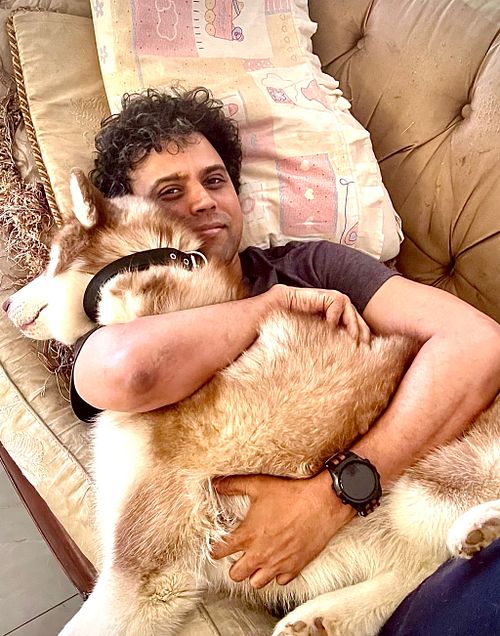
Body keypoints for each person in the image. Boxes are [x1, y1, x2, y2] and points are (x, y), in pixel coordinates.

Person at [72, 87, 500, 605]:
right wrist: (266, 308)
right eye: (170, 192)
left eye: (215, 180)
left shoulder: (311, 266)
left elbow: (477, 342)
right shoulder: (130, 313)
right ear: (130, 216)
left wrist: (337, 492)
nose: (204, 200)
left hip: (435, 495)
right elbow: (126, 372)